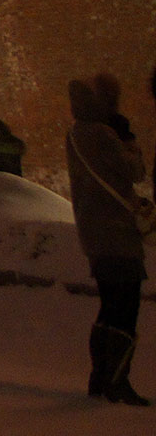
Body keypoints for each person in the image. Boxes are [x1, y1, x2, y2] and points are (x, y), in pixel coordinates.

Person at [67, 73, 150, 405]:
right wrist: (127, 139)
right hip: (117, 234)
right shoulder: (103, 134)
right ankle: (117, 381)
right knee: (124, 309)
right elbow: (135, 172)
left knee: (108, 307)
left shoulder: (76, 134)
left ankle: (100, 377)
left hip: (95, 236)